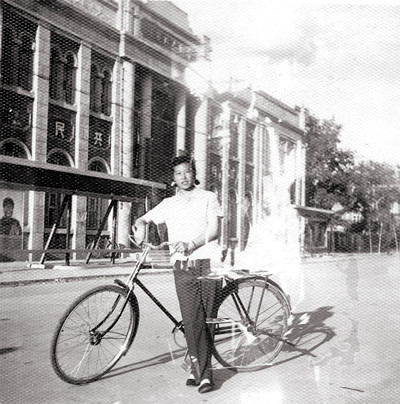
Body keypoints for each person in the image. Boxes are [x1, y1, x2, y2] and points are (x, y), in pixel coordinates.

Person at [134, 154, 223, 394]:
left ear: (194, 173)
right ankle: (199, 368)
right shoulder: (168, 203)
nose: (183, 177)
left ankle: (203, 373)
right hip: (182, 266)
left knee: (206, 320)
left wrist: (192, 244)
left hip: (207, 262)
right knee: (192, 320)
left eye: (187, 171)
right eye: (178, 173)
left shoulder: (208, 197)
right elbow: (144, 218)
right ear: (173, 178)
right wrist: (140, 225)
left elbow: (214, 230)